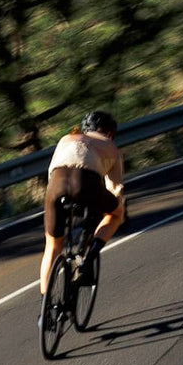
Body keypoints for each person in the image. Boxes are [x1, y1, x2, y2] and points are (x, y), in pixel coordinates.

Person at [39, 110, 125, 304]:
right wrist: (119, 207)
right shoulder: (110, 146)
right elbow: (115, 188)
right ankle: (90, 256)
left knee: (52, 245)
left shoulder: (65, 138)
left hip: (56, 186)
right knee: (115, 214)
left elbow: (52, 171)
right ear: (110, 133)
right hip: (86, 184)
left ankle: (46, 308)